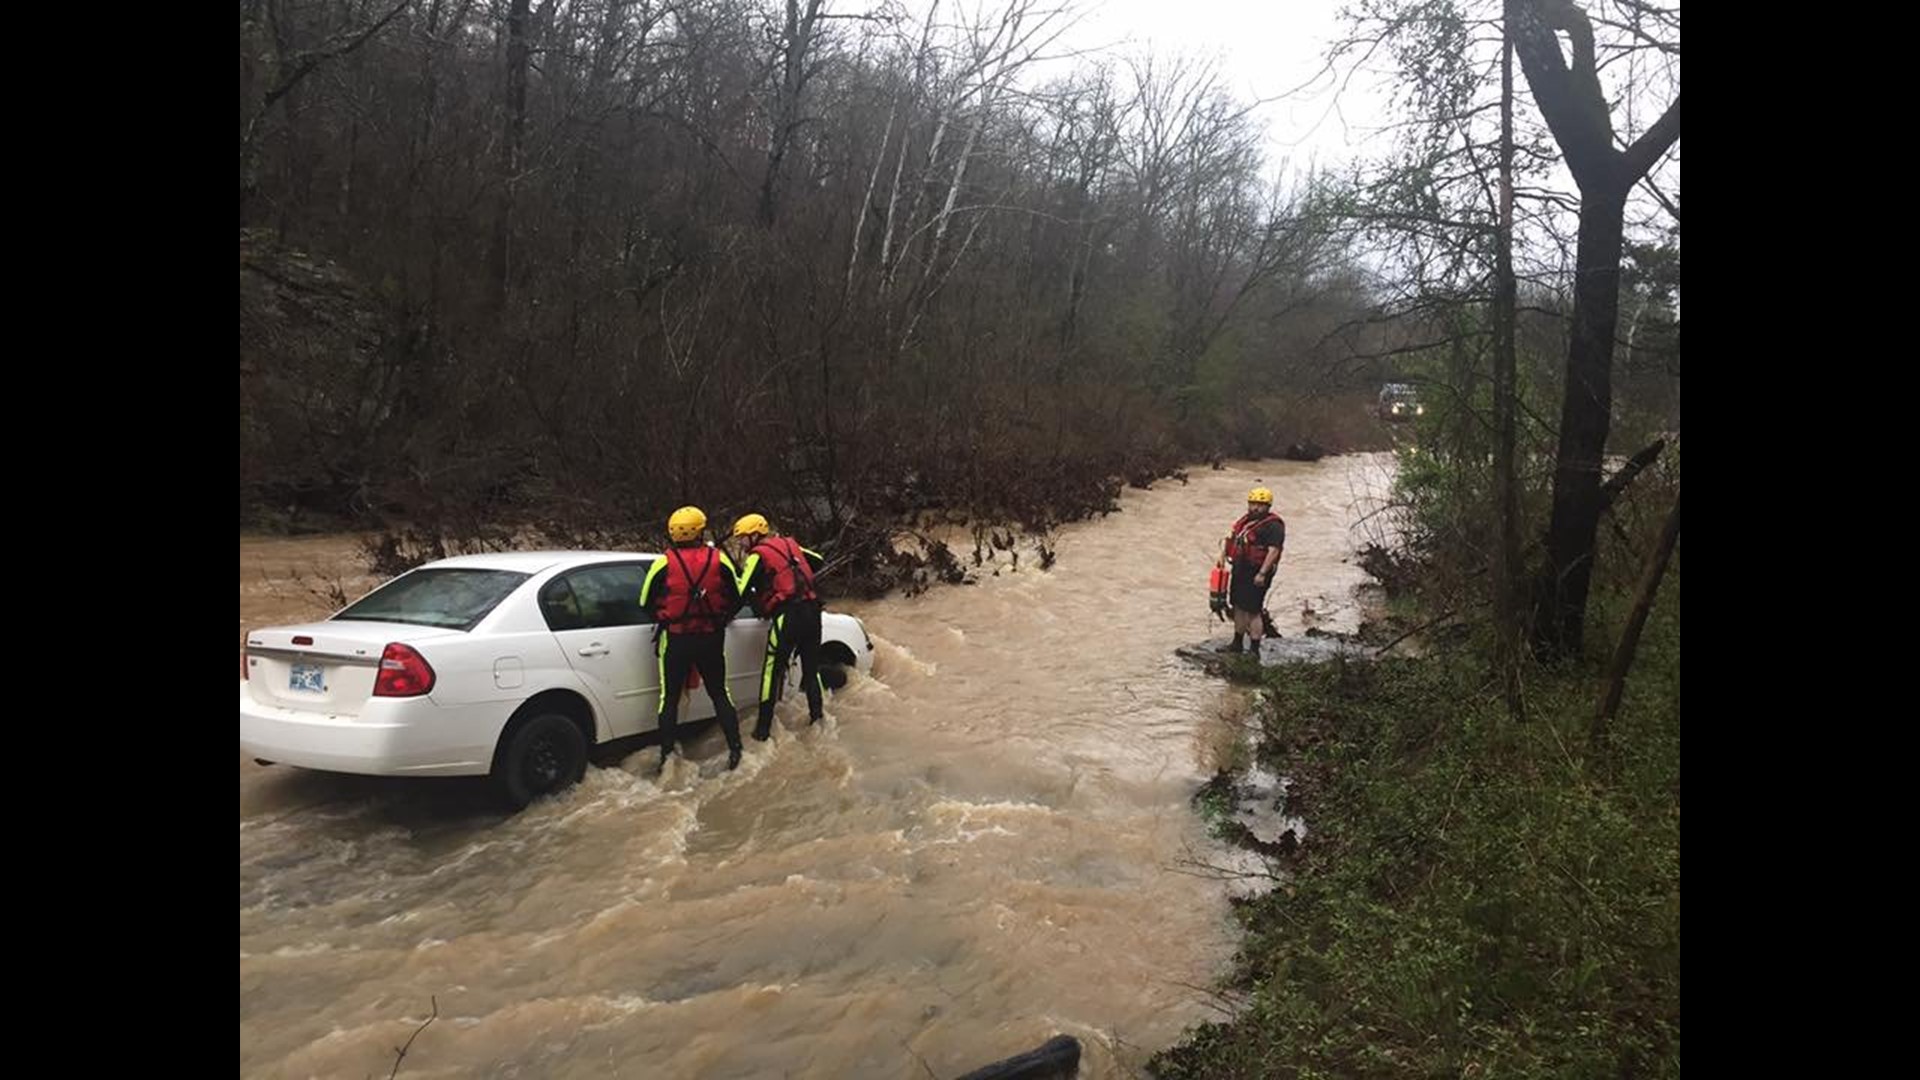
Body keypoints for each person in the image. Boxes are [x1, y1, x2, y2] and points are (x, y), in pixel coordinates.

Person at [639, 506, 745, 771]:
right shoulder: (719, 560)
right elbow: (738, 596)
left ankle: (667, 757)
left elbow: (643, 602)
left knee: (669, 698)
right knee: (720, 693)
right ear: (700, 530)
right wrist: (721, 619)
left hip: (676, 640)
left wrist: (663, 617)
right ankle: (736, 751)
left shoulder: (663, 563)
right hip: (710, 638)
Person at [730, 513, 826, 740]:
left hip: (788, 616)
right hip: (813, 612)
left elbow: (741, 590)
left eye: (742, 538)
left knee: (771, 673)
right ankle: (818, 720)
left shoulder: (757, 555)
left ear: (754, 535)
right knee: (812, 671)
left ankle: (762, 730)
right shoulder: (791, 545)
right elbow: (818, 560)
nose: (741, 544)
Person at [1218, 485, 1285, 654]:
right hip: (1241, 568)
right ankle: (1237, 643)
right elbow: (1232, 538)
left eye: (1260, 505)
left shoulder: (1274, 526)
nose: (1255, 507)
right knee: (1238, 606)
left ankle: (1254, 649)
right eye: (1253, 503)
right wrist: (1222, 556)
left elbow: (1274, 550)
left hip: (1257, 571)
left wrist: (1262, 573)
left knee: (1253, 611)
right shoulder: (1246, 521)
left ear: (1268, 506)